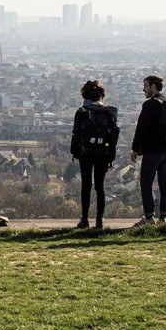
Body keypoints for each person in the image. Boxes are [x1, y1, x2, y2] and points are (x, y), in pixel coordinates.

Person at [69, 79, 119, 230]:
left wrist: (75, 152)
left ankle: (84, 219)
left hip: (86, 152)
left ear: (85, 95)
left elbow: (76, 133)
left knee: (86, 185)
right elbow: (113, 136)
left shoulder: (82, 111)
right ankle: (100, 220)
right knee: (100, 186)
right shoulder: (108, 112)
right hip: (103, 152)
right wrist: (111, 155)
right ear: (101, 96)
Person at [130, 74, 166, 226]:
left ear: (153, 86)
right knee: (164, 183)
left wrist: (135, 149)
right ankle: (163, 218)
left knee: (146, 182)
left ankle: (149, 217)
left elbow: (141, 128)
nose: (144, 89)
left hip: (153, 150)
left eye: (145, 86)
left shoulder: (150, 105)